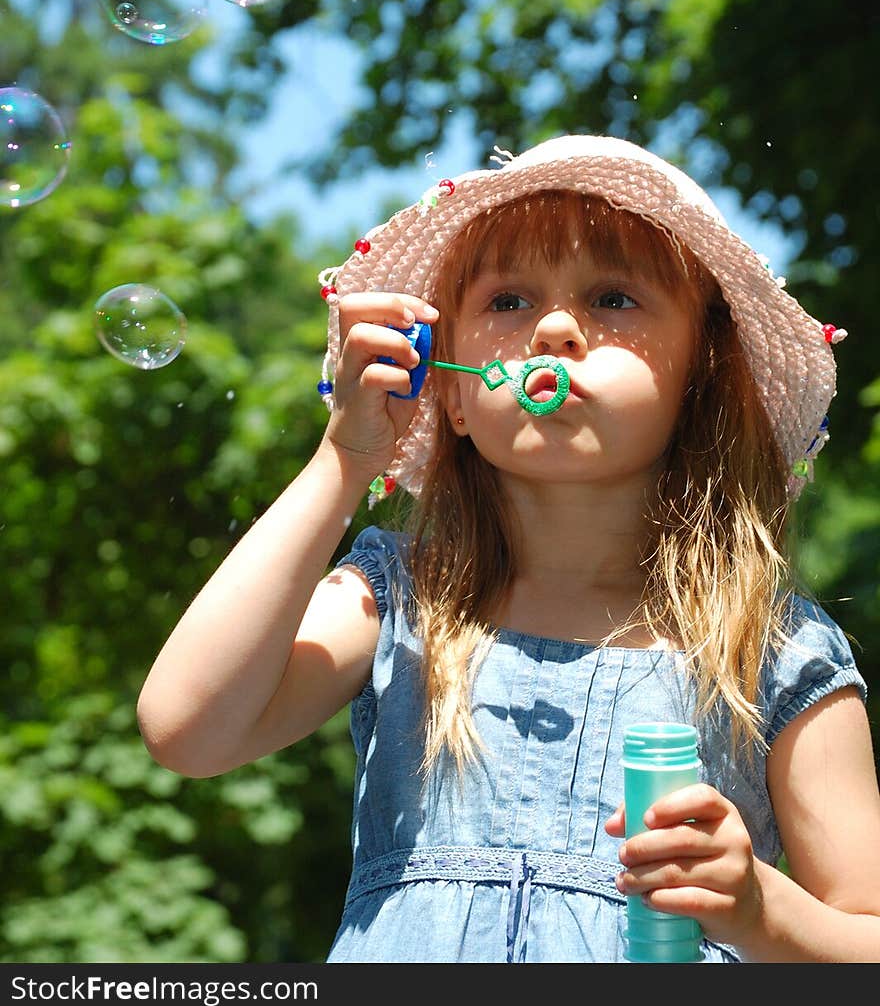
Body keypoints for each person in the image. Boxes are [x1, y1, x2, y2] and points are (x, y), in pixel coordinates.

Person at [137, 134, 880, 963]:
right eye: (508, 301)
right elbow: (186, 729)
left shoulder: (773, 652)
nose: (555, 328)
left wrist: (761, 909)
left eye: (613, 298)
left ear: (698, 381)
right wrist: (344, 459)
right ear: (451, 395)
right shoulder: (400, 599)